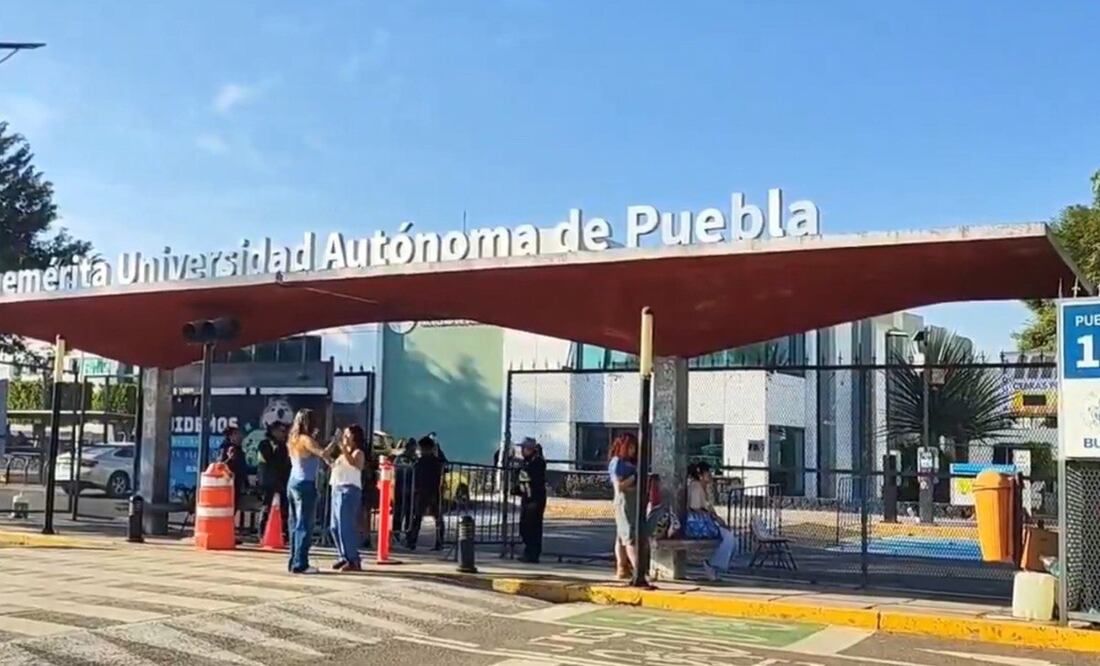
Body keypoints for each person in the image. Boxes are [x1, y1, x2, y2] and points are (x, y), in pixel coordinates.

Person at [286, 409, 328, 574]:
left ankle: (294, 560)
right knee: (305, 524)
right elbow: (322, 453)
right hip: (305, 483)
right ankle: (301, 563)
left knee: (294, 524)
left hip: (293, 481)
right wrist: (335, 441)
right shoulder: (306, 439)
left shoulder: (293, 438)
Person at [687, 461, 736, 581]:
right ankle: (712, 564)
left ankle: (714, 564)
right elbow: (695, 507)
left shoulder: (704, 488)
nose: (710, 475)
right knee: (728, 537)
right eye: (708, 472)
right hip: (697, 525)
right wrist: (713, 517)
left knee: (733, 540)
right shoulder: (696, 486)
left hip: (705, 523)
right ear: (701, 475)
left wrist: (716, 518)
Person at [329, 425, 367, 571]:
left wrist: (343, 447)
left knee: (346, 526)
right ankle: (343, 556)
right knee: (334, 526)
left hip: (349, 490)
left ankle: (353, 559)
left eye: (347, 435)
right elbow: (335, 465)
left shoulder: (358, 453)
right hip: (336, 488)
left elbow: (354, 464)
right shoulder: (341, 455)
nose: (345, 437)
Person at [608, 433, 639, 580]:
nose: (633, 450)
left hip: (632, 501)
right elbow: (618, 486)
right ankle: (638, 569)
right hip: (624, 501)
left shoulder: (628, 463)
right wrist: (634, 478)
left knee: (622, 536)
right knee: (629, 536)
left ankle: (622, 568)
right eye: (630, 447)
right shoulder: (617, 463)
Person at [405, 436, 444, 551]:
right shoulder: (437, 461)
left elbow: (416, 476)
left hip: (422, 491)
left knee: (417, 517)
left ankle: (412, 541)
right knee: (437, 518)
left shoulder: (419, 462)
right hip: (433, 491)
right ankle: (439, 542)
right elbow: (444, 466)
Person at [515, 437, 547, 563]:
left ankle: (533, 553)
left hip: (535, 498)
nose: (522, 451)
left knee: (533, 526)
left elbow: (532, 478)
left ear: (530, 449)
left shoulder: (537, 461)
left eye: (524, 448)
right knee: (525, 526)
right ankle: (528, 551)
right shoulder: (526, 462)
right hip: (527, 498)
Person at [257, 422, 290, 542]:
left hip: (282, 482)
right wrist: (276, 447)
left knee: (283, 508)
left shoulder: (284, 446)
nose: (283, 434)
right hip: (268, 482)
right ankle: (262, 533)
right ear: (273, 431)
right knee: (267, 507)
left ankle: (283, 533)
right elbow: (268, 460)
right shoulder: (264, 444)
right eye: (281, 431)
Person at [219, 426, 249, 533]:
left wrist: (246, 484)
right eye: (237, 434)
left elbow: (242, 468)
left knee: (232, 509)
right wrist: (229, 459)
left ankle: (228, 531)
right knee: (228, 510)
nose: (240, 436)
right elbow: (221, 466)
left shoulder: (239, 449)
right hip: (229, 484)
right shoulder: (227, 449)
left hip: (237, 484)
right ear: (231, 436)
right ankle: (224, 532)